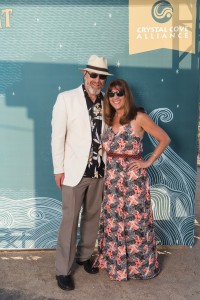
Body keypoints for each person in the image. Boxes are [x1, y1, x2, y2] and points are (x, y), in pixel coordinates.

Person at [93, 79, 171, 281]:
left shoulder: (139, 117)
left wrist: (147, 162)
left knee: (135, 224)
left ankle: (138, 268)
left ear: (126, 95)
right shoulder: (110, 119)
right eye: (111, 94)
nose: (115, 97)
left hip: (133, 182)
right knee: (114, 223)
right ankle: (116, 265)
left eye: (119, 93)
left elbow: (165, 139)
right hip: (112, 182)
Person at [51, 54, 112, 291]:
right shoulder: (66, 99)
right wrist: (58, 169)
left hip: (100, 171)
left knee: (92, 217)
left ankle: (84, 256)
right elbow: (57, 137)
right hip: (74, 172)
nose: (97, 80)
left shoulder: (109, 101)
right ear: (84, 74)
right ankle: (63, 270)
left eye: (101, 77)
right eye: (93, 75)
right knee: (69, 221)